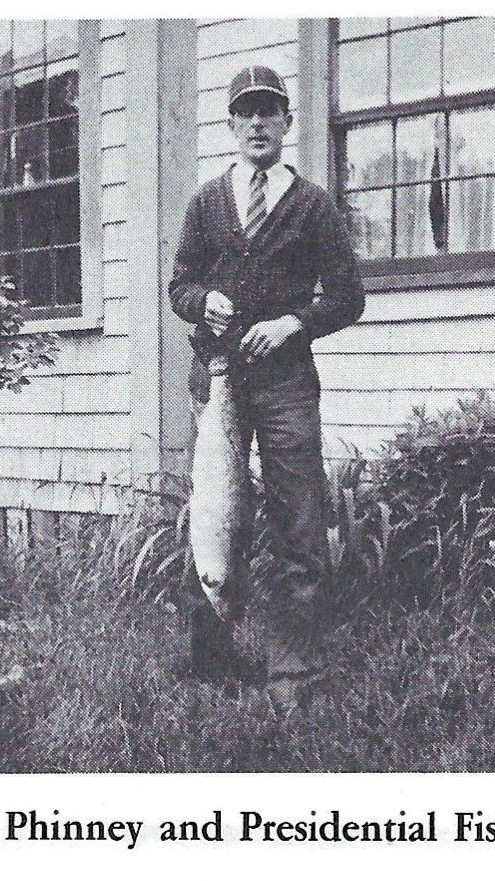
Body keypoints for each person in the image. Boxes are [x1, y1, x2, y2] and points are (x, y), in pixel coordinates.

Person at [169, 65, 364, 709]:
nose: (257, 123)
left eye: (269, 112)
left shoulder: (313, 206)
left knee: (297, 516)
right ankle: (211, 661)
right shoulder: (206, 202)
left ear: (287, 122)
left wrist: (294, 324)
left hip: (285, 383)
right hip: (219, 381)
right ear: (230, 125)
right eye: (245, 113)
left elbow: (348, 297)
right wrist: (204, 304)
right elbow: (179, 288)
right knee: (215, 512)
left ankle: (295, 670)